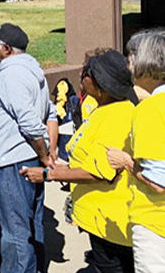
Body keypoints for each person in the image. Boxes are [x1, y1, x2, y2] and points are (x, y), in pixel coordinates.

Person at [22, 49, 137, 273]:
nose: (81, 77)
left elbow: (99, 171)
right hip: (99, 220)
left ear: (99, 82)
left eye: (86, 72)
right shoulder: (103, 109)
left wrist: (48, 174)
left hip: (111, 225)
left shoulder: (118, 116)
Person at [0, 23, 52, 273]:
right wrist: (44, 154)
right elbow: (48, 114)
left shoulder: (12, 74)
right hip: (27, 159)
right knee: (32, 228)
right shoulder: (33, 71)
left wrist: (45, 156)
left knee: (14, 234)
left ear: (6, 49)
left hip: (13, 164)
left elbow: (30, 123)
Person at [107, 32, 165, 272]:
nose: (128, 67)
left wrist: (126, 161)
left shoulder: (150, 109)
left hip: (155, 223)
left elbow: (159, 181)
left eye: (130, 60)